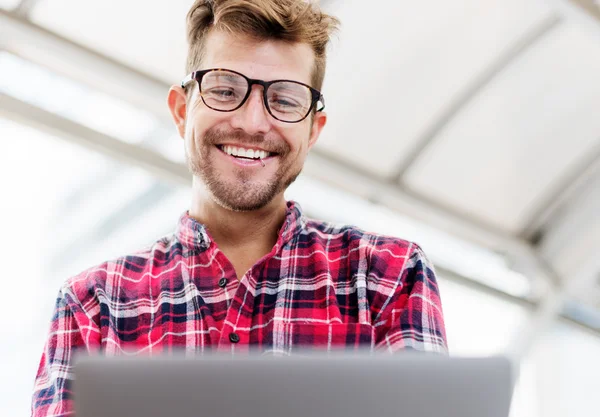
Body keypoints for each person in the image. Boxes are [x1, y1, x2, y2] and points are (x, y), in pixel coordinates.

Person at [31, 1, 447, 416]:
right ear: (181, 111)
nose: (252, 123)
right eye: (226, 90)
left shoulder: (388, 277)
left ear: (312, 130)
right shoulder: (93, 306)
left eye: (284, 100)